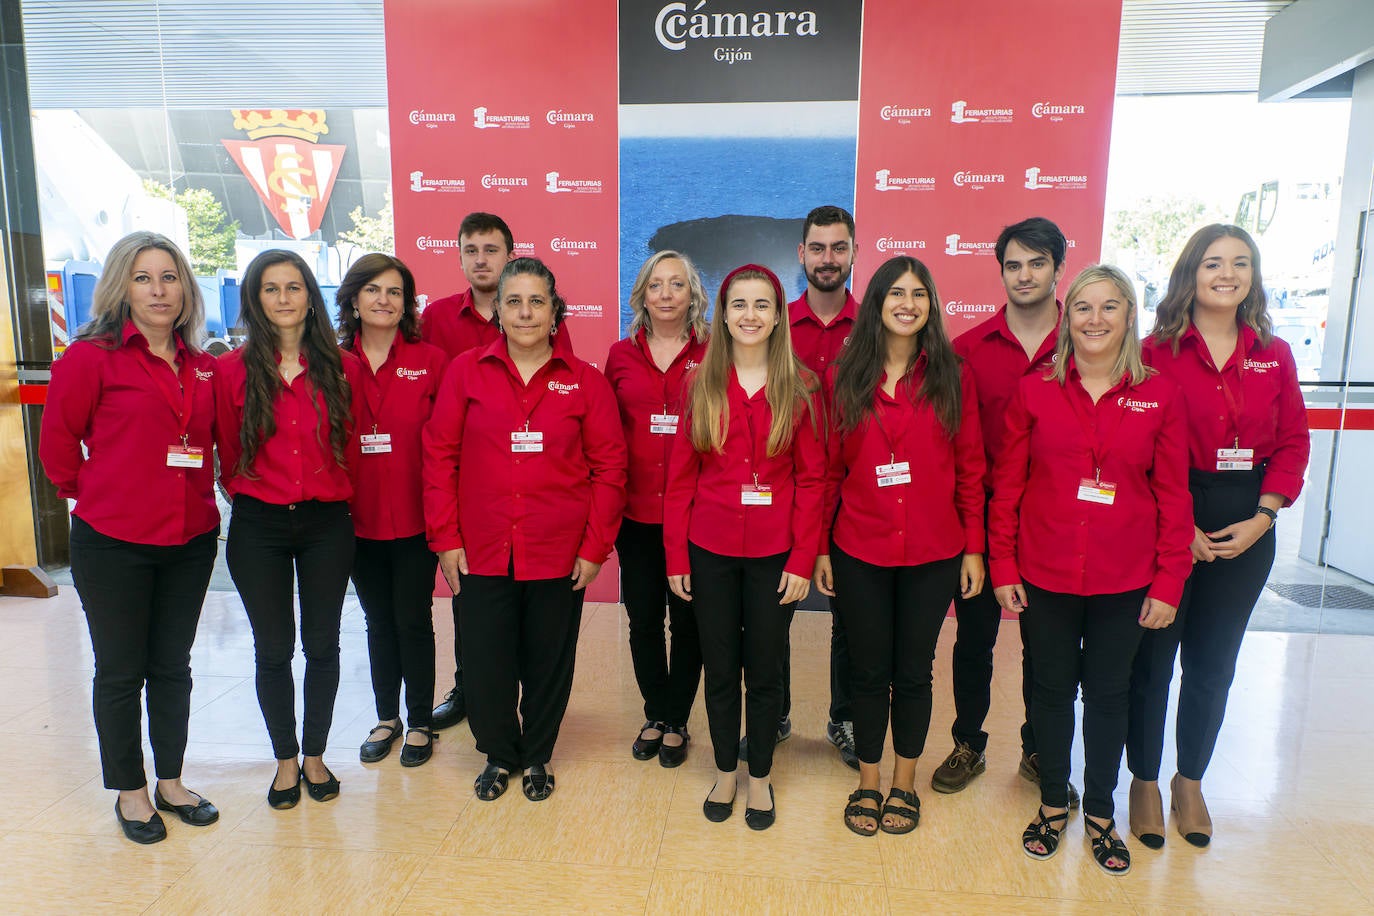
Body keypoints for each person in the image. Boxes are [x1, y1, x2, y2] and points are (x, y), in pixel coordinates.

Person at [989, 264, 1192, 876]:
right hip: (1044, 573)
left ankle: (1101, 811)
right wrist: (1002, 562)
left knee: (1108, 696)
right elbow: (1008, 487)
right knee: (1049, 693)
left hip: (1125, 579)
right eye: (1083, 307)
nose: (1095, 319)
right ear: (1066, 316)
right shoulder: (1035, 391)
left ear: (1130, 315)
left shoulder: (1159, 394)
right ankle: (1055, 802)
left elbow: (1174, 498)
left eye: (1110, 307)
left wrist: (1170, 580)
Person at [1126, 225, 1310, 849]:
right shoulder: (1153, 352)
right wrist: (1179, 531)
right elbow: (1138, 450)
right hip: (1169, 509)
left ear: (1253, 275)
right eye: (1212, 263)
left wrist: (1265, 516)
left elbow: (1293, 443)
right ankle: (1145, 781)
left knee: (1213, 663)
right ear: (1190, 274)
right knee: (1154, 660)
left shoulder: (1274, 354)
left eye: (1240, 263)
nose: (1226, 274)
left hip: (1247, 515)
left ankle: (1189, 781)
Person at [39, 232, 221, 844]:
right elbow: (58, 445)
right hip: (113, 539)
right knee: (121, 671)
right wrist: (92, 493)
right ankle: (131, 791)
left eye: (169, 277)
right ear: (122, 286)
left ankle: (170, 781)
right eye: (144, 278)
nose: (159, 290)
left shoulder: (202, 367)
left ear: (185, 288)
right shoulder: (91, 358)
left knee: (172, 665)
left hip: (190, 538)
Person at [423, 257, 626, 802]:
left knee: (547, 662)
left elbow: (610, 469)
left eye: (537, 301)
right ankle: (498, 754)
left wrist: (594, 548)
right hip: (481, 551)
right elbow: (440, 456)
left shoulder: (585, 383)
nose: (525, 312)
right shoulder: (466, 372)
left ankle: (536, 755)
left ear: (556, 311)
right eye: (513, 301)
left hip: (559, 553)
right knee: (486, 663)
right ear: (499, 311)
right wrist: (445, 538)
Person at [813, 256, 985, 837]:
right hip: (858, 548)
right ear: (878, 302)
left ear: (931, 304)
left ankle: (903, 782)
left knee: (913, 671)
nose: (907, 303)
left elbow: (970, 469)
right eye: (895, 293)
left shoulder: (953, 375)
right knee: (866, 670)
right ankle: (868, 778)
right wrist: (819, 548)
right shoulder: (844, 375)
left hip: (934, 552)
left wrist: (974, 549)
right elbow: (829, 472)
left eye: (919, 294)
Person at [664, 264, 825, 831]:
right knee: (720, 664)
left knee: (763, 667)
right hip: (708, 549)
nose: (750, 315)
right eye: (739, 305)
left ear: (779, 315)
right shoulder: (699, 383)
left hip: (774, 557)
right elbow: (680, 480)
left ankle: (760, 774)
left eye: (762, 305)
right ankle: (725, 770)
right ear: (723, 314)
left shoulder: (801, 386)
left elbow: (812, 480)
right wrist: (676, 558)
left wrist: (804, 559)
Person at [934, 217, 1079, 804]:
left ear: (1057, 268)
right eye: (1013, 265)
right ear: (999, 272)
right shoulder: (965, 351)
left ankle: (1039, 745)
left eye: (1036, 263)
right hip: (982, 517)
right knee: (974, 640)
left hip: (1058, 522)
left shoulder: (1090, 340)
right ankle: (968, 740)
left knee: (1051, 646)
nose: (1024, 275)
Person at [215, 249, 362, 809]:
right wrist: (259, 494)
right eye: (271, 289)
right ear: (255, 299)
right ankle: (284, 760)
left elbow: (351, 448)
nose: (283, 298)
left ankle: (317, 755)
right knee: (273, 648)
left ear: (310, 296)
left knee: (323, 644)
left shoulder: (343, 368)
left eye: (294, 287)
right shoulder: (230, 371)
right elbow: (227, 453)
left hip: (327, 523)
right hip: (260, 527)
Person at [337, 254, 449, 767]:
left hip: (416, 517)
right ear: (355, 299)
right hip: (354, 520)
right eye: (374, 290)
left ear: (407, 304)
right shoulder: (333, 363)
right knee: (377, 621)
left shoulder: (432, 361)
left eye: (395, 292)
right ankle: (387, 717)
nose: (384, 300)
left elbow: (448, 443)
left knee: (413, 619)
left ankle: (421, 721)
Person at [605, 250, 709, 768]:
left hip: (695, 517)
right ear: (642, 294)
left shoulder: (716, 352)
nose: (666, 295)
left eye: (677, 285)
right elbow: (605, 437)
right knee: (644, 620)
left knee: (688, 624)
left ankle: (679, 719)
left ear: (693, 294)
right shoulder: (620, 356)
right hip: (637, 516)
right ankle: (656, 712)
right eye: (656, 285)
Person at [420, 212, 515, 732]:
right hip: (461, 483)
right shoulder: (434, 320)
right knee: (468, 596)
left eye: (491, 249)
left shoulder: (533, 312)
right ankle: (468, 686)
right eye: (471, 250)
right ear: (459, 257)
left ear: (510, 254)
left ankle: (508, 689)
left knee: (514, 598)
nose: (481, 259)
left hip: (522, 481)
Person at [774, 204, 860, 769]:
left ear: (853, 252)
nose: (828, 259)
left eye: (839, 248)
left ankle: (844, 717)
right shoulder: (773, 322)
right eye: (818, 248)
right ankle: (773, 711)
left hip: (858, 496)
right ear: (801, 254)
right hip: (786, 495)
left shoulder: (874, 326)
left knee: (853, 619)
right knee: (769, 614)